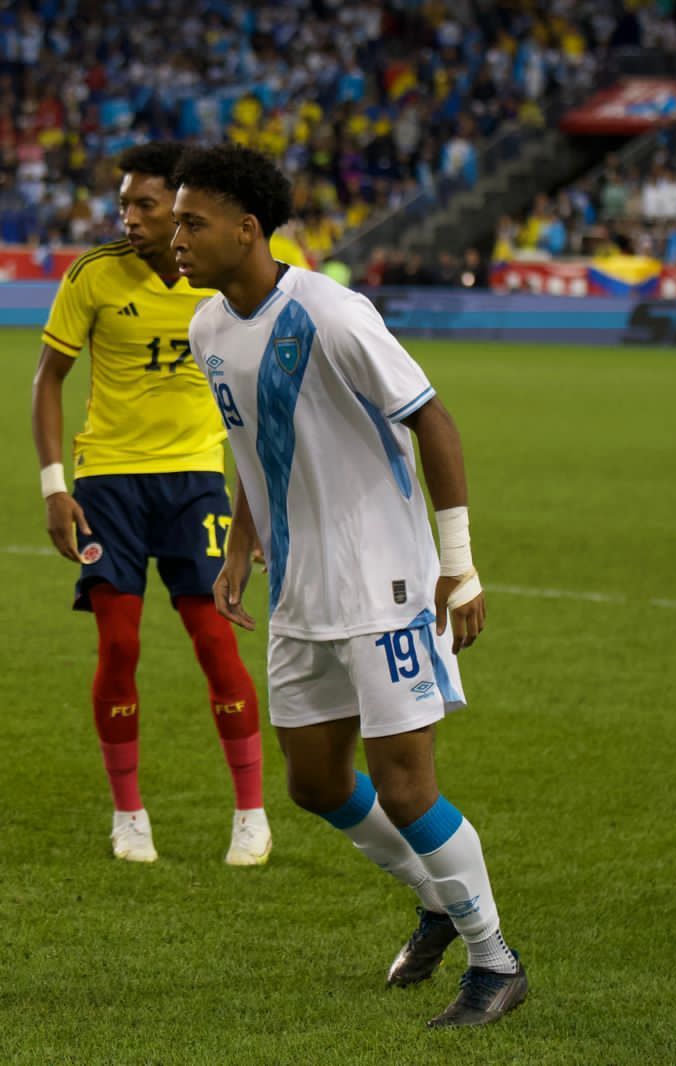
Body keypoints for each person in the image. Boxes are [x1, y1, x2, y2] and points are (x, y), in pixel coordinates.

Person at [172, 145, 525, 1029]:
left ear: (247, 229)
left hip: (384, 581)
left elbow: (432, 419)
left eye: (191, 222)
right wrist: (241, 546)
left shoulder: (332, 314)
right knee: (315, 784)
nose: (175, 238)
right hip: (300, 587)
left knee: (405, 785)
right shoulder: (207, 328)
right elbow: (256, 446)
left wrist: (461, 561)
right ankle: (439, 901)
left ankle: (495, 960)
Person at [29, 142, 271, 866]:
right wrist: (54, 488)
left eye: (146, 205)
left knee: (215, 640)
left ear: (185, 208)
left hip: (196, 478)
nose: (129, 218)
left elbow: (262, 400)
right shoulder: (96, 274)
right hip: (108, 481)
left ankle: (251, 814)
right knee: (121, 645)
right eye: (124, 204)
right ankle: (129, 813)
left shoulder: (224, 279)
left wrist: (252, 505)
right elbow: (48, 379)